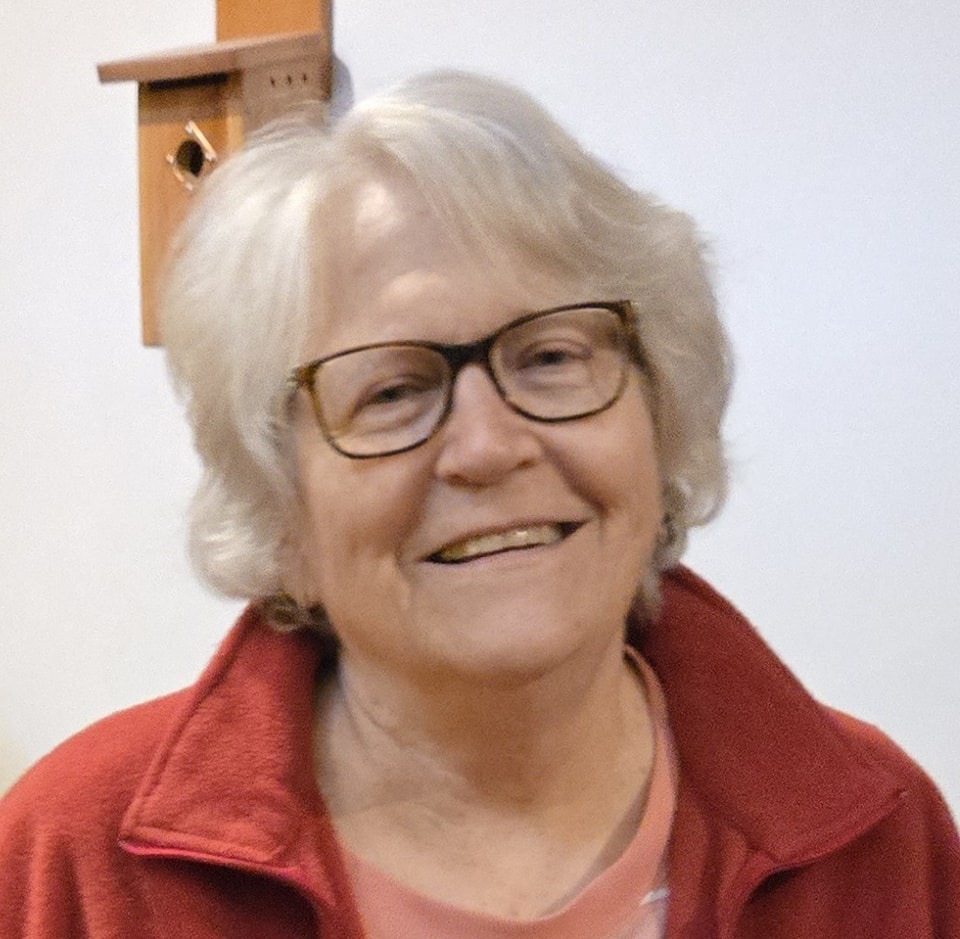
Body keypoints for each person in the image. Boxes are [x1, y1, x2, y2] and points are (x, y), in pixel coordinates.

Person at [1, 70, 957, 938]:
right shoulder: (74, 864)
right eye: (391, 391)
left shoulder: (879, 838)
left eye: (550, 356)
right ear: (278, 505)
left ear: (660, 413)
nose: (490, 446)